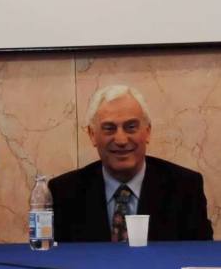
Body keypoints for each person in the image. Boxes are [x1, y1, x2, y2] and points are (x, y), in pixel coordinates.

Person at [49, 85, 213, 242]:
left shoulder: (185, 188)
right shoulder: (64, 192)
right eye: (109, 128)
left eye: (131, 127)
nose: (121, 140)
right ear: (92, 134)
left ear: (147, 132)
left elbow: (201, 255)